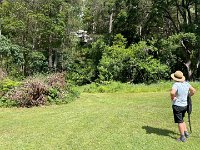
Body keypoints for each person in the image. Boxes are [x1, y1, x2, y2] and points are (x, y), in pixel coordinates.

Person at [170, 70, 196, 142]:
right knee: (182, 119)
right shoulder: (186, 84)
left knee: (180, 121)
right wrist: (188, 96)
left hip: (177, 106)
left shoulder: (176, 84)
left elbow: (172, 92)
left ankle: (182, 137)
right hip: (185, 105)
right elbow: (193, 91)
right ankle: (186, 132)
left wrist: (173, 98)